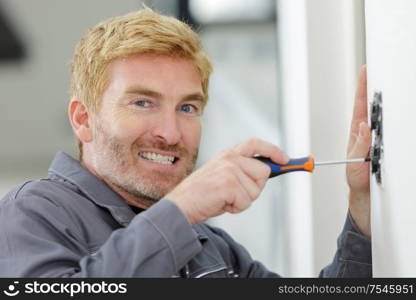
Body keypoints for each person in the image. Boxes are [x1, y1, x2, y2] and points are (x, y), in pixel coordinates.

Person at [0, 8, 372, 277]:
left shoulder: (211, 244)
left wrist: (363, 213)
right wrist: (180, 210)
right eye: (142, 102)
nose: (171, 133)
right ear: (83, 120)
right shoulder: (29, 215)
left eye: (187, 107)